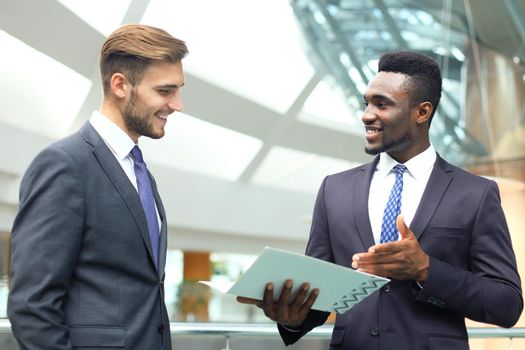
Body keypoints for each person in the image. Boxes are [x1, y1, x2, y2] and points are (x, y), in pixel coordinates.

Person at [238, 51, 523, 349]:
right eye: (367, 103)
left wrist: (426, 269)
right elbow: (319, 296)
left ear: (422, 112)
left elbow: (506, 303)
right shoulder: (334, 189)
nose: (366, 114)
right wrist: (290, 317)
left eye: (382, 104)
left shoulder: (475, 193)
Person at [7, 24, 187, 349]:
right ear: (120, 84)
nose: (177, 104)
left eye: (178, 90)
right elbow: (32, 307)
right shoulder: (64, 164)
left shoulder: (141, 173)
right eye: (165, 91)